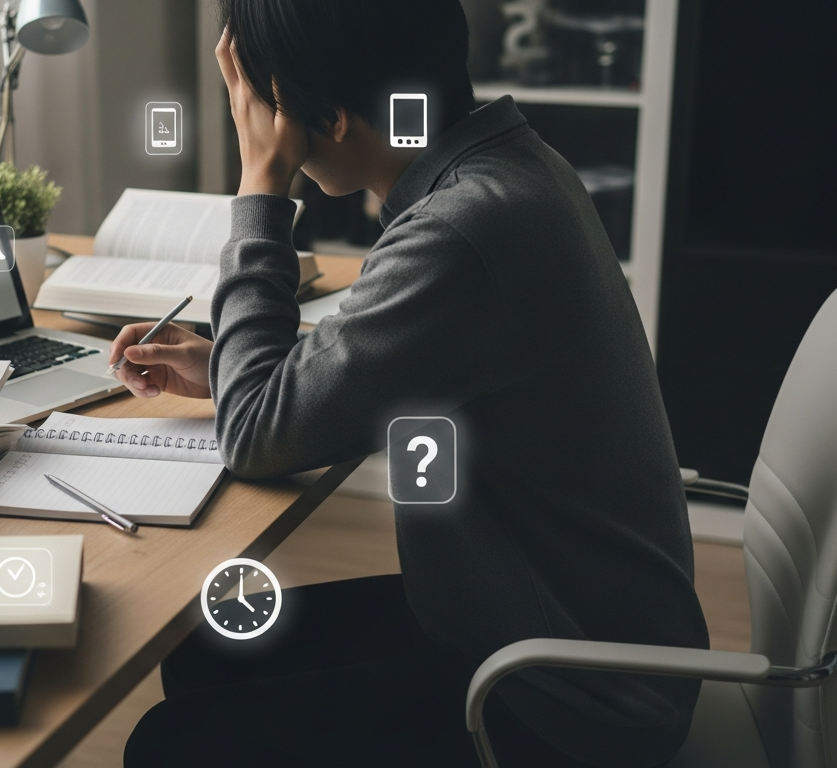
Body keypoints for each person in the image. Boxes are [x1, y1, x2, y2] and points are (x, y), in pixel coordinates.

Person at [114, 1, 708, 765]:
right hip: (550, 629)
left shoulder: (464, 226)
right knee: (209, 650)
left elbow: (259, 439)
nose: (254, 120)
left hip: (563, 698)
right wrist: (230, 371)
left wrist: (261, 184)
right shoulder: (507, 166)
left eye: (259, 103)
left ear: (325, 119)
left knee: (167, 747)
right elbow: (393, 354)